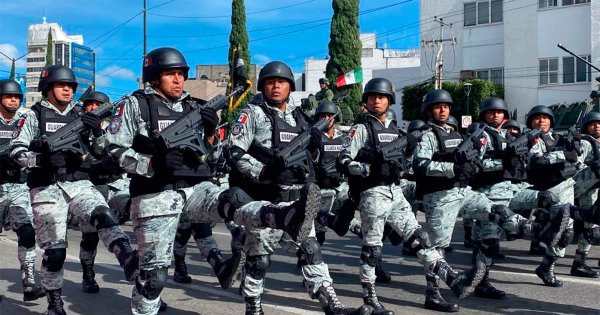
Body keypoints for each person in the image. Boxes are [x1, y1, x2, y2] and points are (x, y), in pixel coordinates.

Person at [102, 49, 319, 315]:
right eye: (171, 74)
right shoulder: (135, 105)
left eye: (181, 74)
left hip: (196, 188)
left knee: (233, 199)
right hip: (154, 196)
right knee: (153, 279)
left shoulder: (194, 106)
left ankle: (283, 216)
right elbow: (111, 149)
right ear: (154, 77)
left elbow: (214, 157)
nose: (179, 80)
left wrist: (210, 134)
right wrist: (150, 164)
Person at [227, 61, 368, 315]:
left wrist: (315, 147)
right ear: (263, 86)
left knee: (312, 250)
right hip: (266, 201)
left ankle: (332, 304)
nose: (276, 85)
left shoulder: (299, 117)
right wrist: (261, 170)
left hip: (298, 200)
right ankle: (253, 306)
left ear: (290, 87)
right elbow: (234, 151)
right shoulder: (253, 114)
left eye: (281, 82)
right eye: (270, 81)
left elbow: (312, 159)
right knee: (259, 261)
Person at [339, 80, 482, 314]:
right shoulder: (361, 129)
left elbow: (408, 166)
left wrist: (407, 152)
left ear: (389, 101)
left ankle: (452, 278)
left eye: (381, 97)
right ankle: (369, 297)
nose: (376, 100)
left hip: (395, 191)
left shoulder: (396, 130)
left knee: (420, 237)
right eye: (372, 97)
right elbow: (344, 160)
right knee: (372, 248)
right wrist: (368, 168)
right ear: (366, 101)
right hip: (373, 194)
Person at [9, 65, 138, 315]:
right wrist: (40, 159)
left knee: (103, 213)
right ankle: (54, 302)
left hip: (79, 183)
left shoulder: (80, 115)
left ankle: (127, 258)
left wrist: (97, 131)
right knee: (55, 252)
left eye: (71, 86)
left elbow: (103, 150)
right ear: (48, 89)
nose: (68, 89)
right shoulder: (32, 116)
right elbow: (16, 151)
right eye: (61, 85)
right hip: (46, 188)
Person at [414, 89, 518, 312]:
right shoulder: (428, 135)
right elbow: (421, 165)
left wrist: (472, 166)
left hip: (462, 192)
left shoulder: (456, 134)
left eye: (446, 107)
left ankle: (482, 279)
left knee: (498, 211)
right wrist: (453, 168)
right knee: (437, 249)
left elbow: (470, 159)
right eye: (438, 107)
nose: (443, 110)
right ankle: (432, 294)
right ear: (429, 110)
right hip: (439, 197)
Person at [0, 79, 46, 302]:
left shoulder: (27, 118)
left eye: (17, 97)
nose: (13, 101)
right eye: (9, 96)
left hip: (19, 186)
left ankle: (30, 284)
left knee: (27, 233)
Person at [569, 112, 600, 278]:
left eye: (599, 123)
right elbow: (577, 164)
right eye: (593, 124)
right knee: (590, 226)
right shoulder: (585, 143)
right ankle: (579, 263)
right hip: (588, 189)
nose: (597, 126)